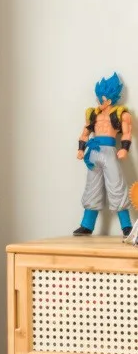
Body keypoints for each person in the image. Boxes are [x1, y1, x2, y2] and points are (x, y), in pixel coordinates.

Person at [74, 73, 133, 236]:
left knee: (117, 186)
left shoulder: (121, 114)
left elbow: (127, 134)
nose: (99, 100)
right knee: (92, 187)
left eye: (102, 97)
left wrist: (124, 148)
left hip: (110, 152)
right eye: (99, 97)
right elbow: (85, 133)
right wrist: (81, 149)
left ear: (109, 99)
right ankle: (87, 225)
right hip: (93, 152)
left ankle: (126, 226)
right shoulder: (92, 114)